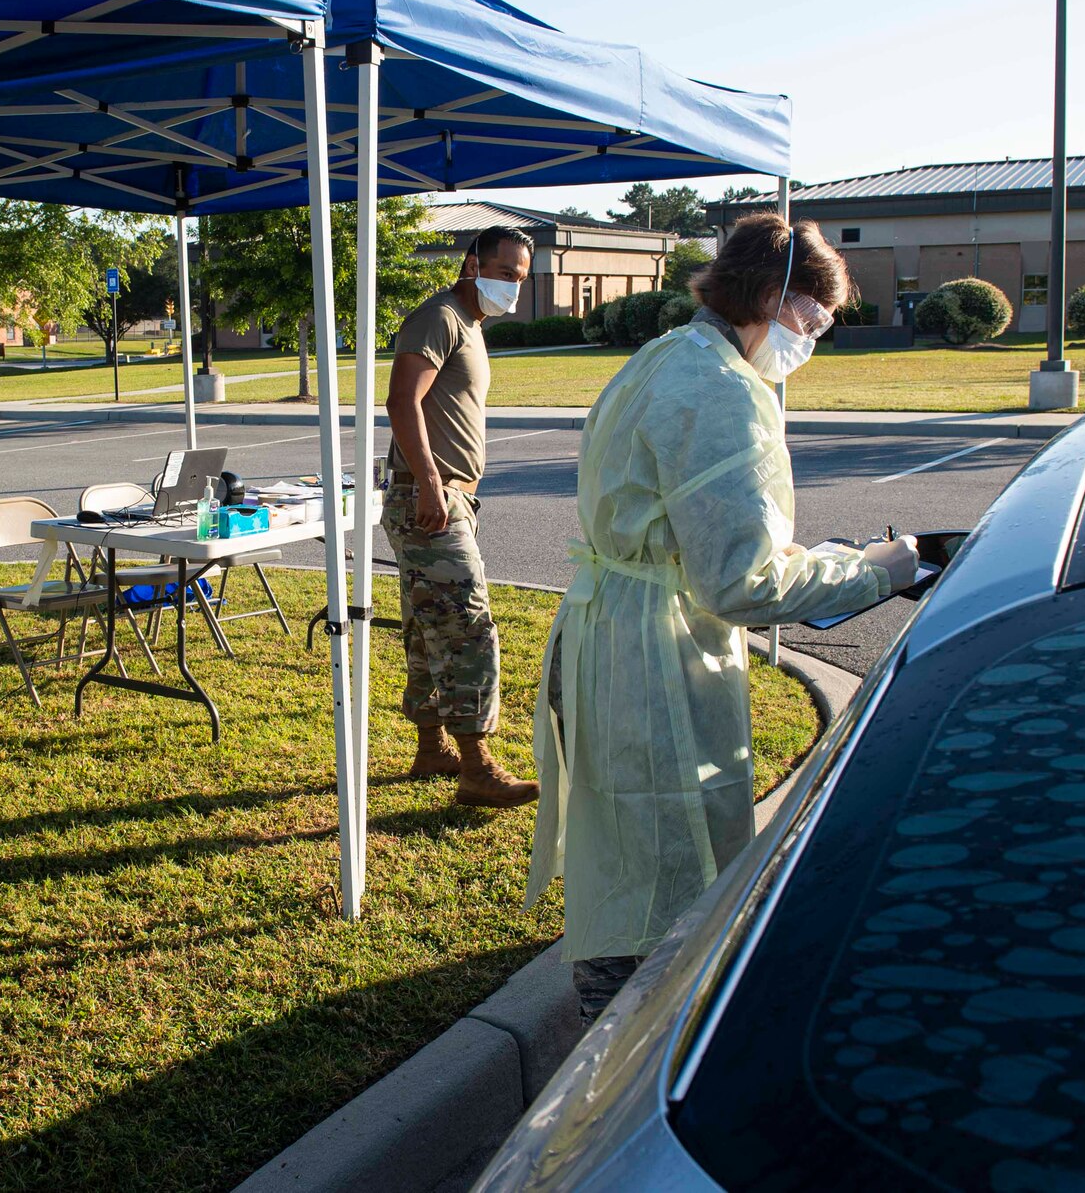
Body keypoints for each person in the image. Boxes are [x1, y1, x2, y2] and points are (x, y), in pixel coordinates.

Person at [524, 213, 921, 1020]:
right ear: (770, 297)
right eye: (812, 320)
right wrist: (873, 572)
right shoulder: (721, 391)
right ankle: (624, 1071)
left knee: (624, 850)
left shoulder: (667, 355)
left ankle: (617, 1035)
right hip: (652, 657)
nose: (814, 339)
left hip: (610, 629)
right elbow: (742, 583)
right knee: (663, 877)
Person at [381, 225, 539, 809]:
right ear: (471, 264)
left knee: (428, 625)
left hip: (448, 496)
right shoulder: (441, 316)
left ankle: (432, 748)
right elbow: (402, 400)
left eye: (521, 279)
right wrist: (430, 485)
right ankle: (476, 768)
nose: (512, 288)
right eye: (504, 274)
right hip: (432, 497)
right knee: (468, 626)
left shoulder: (468, 324)